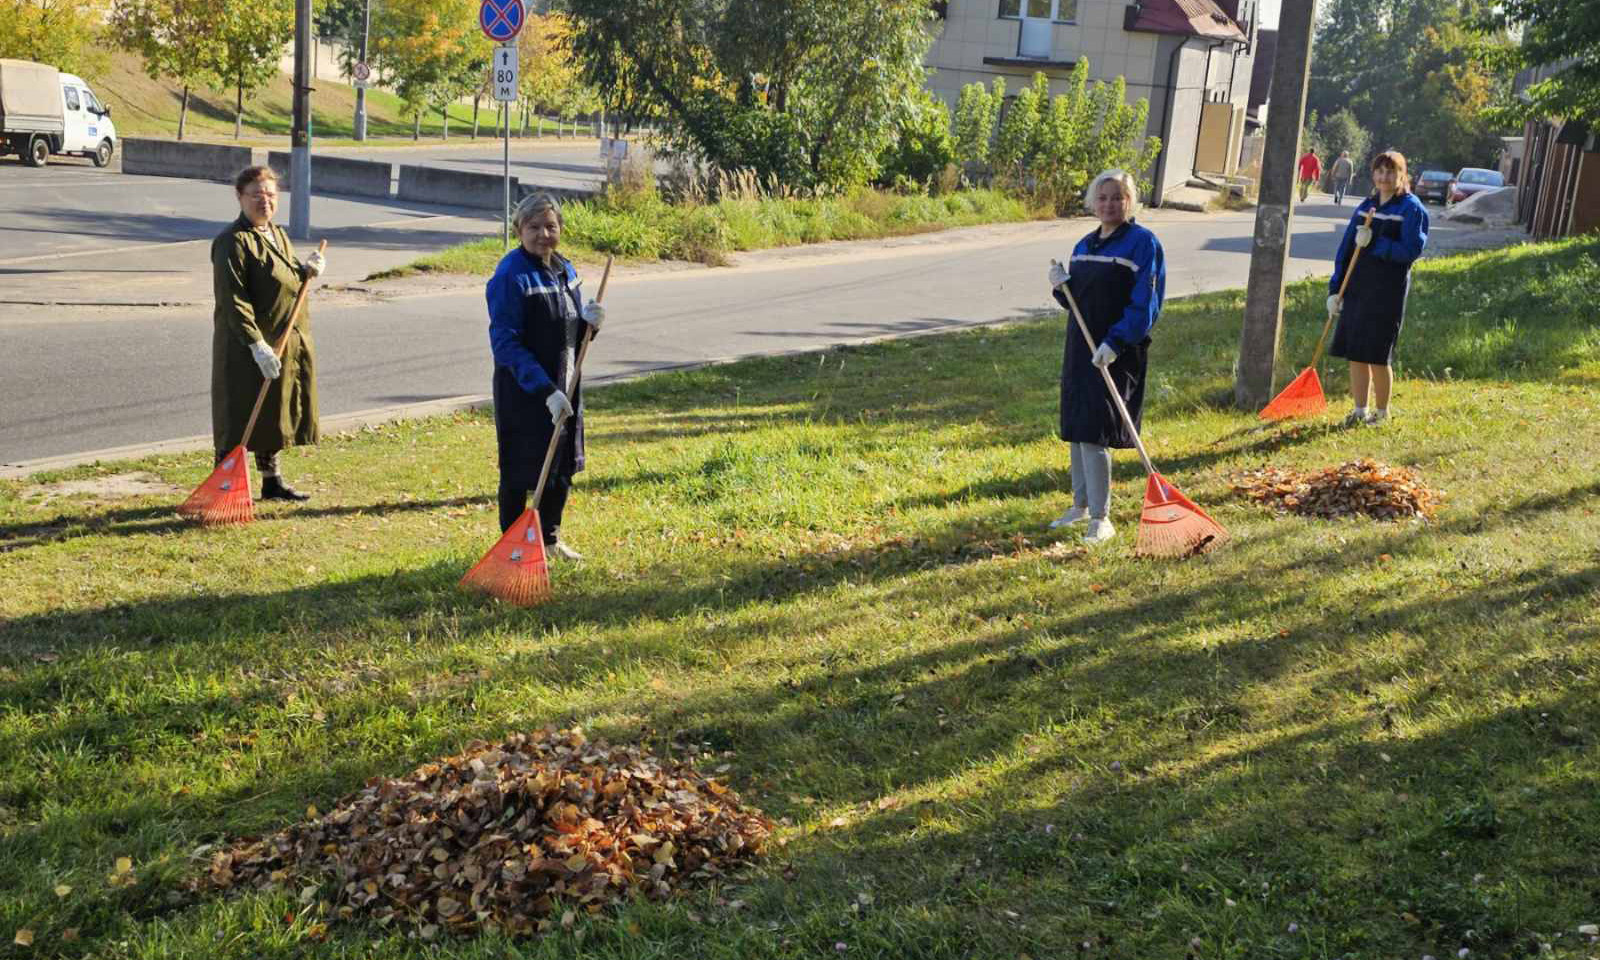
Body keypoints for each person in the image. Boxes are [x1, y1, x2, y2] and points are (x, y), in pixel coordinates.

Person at [1046, 169, 1166, 546]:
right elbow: (1078, 305)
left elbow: (1146, 303)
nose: (1110, 204)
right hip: (1081, 347)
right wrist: (1061, 288)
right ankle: (1079, 505)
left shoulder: (1143, 244)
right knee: (1078, 426)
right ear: (1092, 202)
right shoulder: (1084, 245)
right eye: (1103, 197)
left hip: (1116, 351)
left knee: (1097, 430)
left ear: (1130, 201)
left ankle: (1102, 517)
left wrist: (1116, 342)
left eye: (1118, 197)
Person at [485, 193, 606, 559]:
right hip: (526, 392)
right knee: (521, 472)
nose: (543, 234)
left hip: (565, 382)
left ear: (561, 229)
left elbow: (569, 330)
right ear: (519, 230)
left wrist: (590, 325)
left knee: (560, 466)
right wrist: (545, 391)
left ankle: (550, 541)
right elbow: (505, 343)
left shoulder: (566, 270)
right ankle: (513, 549)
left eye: (550, 226)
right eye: (534, 227)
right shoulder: (510, 276)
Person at [210, 165, 326, 501]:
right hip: (245, 346)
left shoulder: (277, 234)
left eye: (271, 195)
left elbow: (283, 278)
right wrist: (256, 344)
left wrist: (306, 271)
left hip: (282, 340)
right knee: (238, 415)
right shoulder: (232, 242)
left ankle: (271, 480)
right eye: (257, 195)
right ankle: (224, 487)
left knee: (273, 412)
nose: (265, 201)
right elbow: (233, 301)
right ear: (240, 197)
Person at [1326, 149, 1429, 427]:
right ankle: (1360, 410)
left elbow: (1411, 250)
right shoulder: (1366, 206)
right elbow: (1346, 248)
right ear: (1373, 174)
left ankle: (1381, 414)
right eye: (1380, 171)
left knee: (1378, 355)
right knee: (1356, 352)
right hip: (1358, 288)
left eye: (1391, 171)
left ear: (1402, 175)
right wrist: (1335, 290)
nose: (1384, 177)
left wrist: (1377, 244)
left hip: (1387, 292)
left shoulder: (1411, 208)